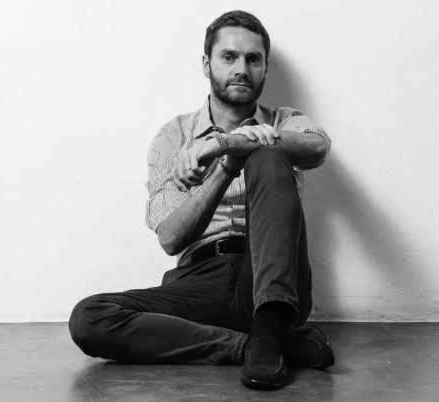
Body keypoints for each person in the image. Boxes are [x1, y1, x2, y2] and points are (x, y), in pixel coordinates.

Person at [69, 10, 334, 389]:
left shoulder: (283, 121)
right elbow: (170, 239)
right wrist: (227, 168)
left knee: (269, 151)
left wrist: (225, 143)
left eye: (253, 59)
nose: (241, 69)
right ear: (207, 64)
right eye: (229, 57)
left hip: (271, 278)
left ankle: (268, 323)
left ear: (265, 69)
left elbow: (318, 147)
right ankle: (258, 343)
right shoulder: (174, 137)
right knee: (90, 317)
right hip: (199, 281)